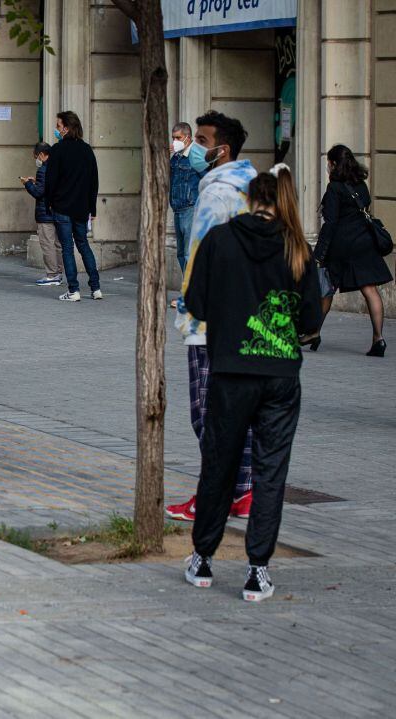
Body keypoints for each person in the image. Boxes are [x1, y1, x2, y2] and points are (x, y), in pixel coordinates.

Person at [183, 167, 321, 603]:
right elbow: (311, 321)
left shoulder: (219, 240)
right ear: (279, 200)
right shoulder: (297, 247)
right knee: (270, 472)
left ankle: (203, 559)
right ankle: (257, 571)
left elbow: (196, 302)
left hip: (231, 371)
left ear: (248, 198)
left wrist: (228, 316)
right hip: (280, 376)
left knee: (219, 464)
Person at [167, 110, 258, 522]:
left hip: (212, 319)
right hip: (244, 314)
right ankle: (243, 491)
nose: (193, 148)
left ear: (221, 150)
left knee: (207, 413)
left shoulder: (216, 193)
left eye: (201, 140)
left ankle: (216, 495)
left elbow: (202, 257)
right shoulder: (252, 187)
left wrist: (191, 305)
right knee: (231, 411)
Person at [304, 145, 391, 357]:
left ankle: (313, 332)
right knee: (370, 289)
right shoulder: (360, 184)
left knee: (328, 287)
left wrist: (319, 255)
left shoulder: (334, 188)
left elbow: (331, 223)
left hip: (343, 246)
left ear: (333, 164)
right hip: (365, 242)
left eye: (329, 163)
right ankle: (378, 339)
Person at [44, 111, 101, 301]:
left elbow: (50, 181)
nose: (57, 129)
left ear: (66, 128)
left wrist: (48, 203)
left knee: (67, 248)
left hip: (62, 206)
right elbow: (94, 182)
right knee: (83, 244)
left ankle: (74, 290)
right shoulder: (87, 150)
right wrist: (92, 209)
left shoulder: (58, 150)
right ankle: (96, 287)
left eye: (58, 126)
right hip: (81, 207)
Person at [22, 142, 62, 286]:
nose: (36, 159)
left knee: (47, 245)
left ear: (41, 155)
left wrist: (28, 184)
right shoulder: (57, 166)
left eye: (36, 156)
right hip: (58, 211)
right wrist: (35, 181)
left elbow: (39, 192)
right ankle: (58, 272)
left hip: (45, 213)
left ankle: (52, 275)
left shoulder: (43, 170)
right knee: (58, 244)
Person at [170, 122, 202, 274]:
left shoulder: (196, 156)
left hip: (191, 208)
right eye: (173, 138)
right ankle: (188, 287)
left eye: (178, 137)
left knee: (189, 254)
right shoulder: (176, 157)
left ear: (187, 138)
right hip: (177, 208)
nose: (175, 141)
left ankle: (190, 291)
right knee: (181, 254)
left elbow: (207, 179)